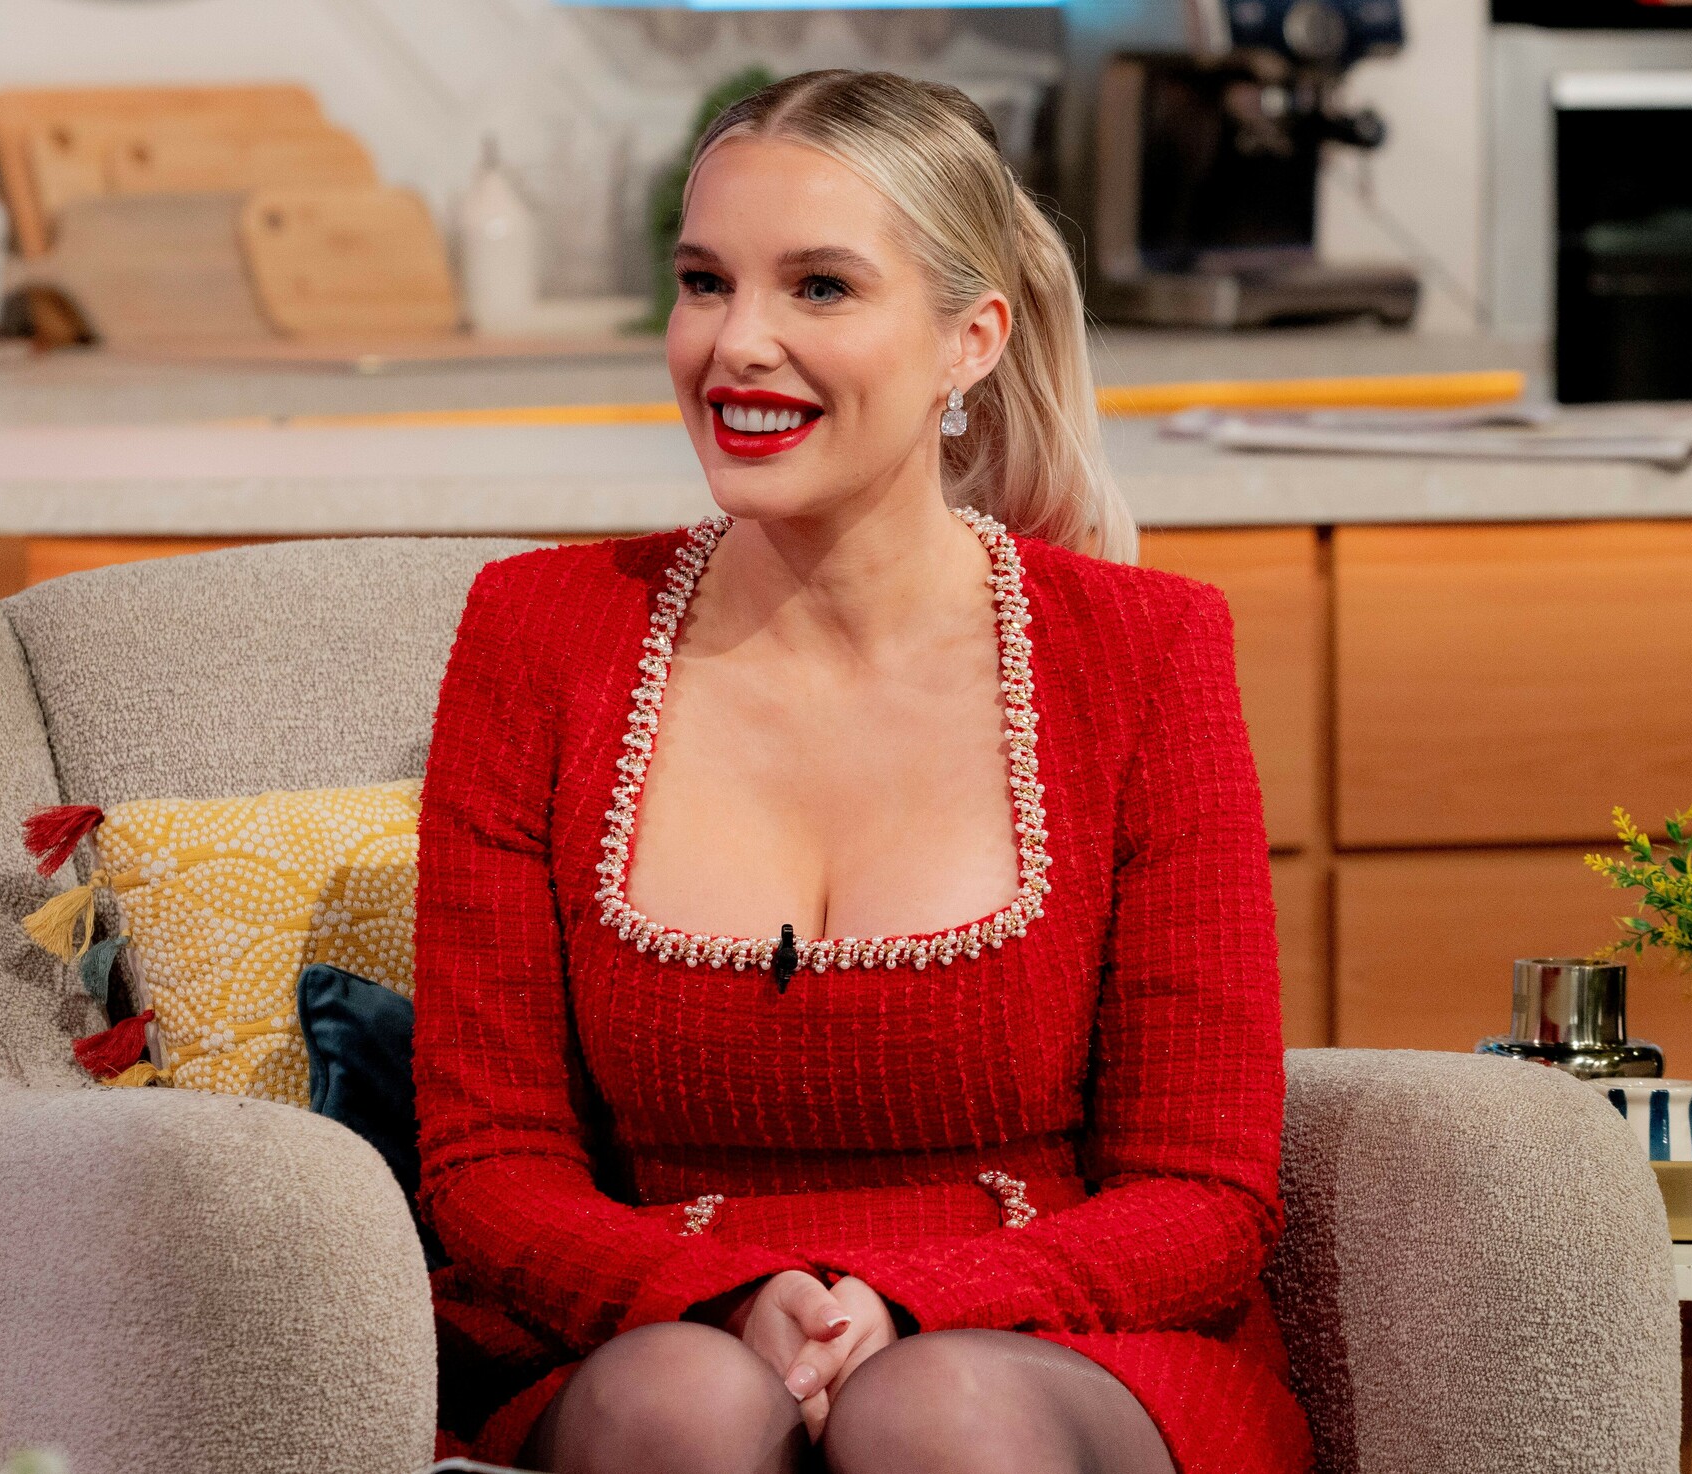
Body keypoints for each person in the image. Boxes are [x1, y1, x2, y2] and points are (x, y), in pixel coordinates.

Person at [414, 68, 1313, 1474]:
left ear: (970, 339)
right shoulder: (537, 636)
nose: (737, 345)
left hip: (1056, 1339)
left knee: (935, 1412)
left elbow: (1204, 1189)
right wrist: (719, 1297)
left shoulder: (1144, 653)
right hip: (651, 1331)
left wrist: (918, 1301)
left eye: (819, 288)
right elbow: (490, 1159)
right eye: (705, 284)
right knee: (687, 1403)